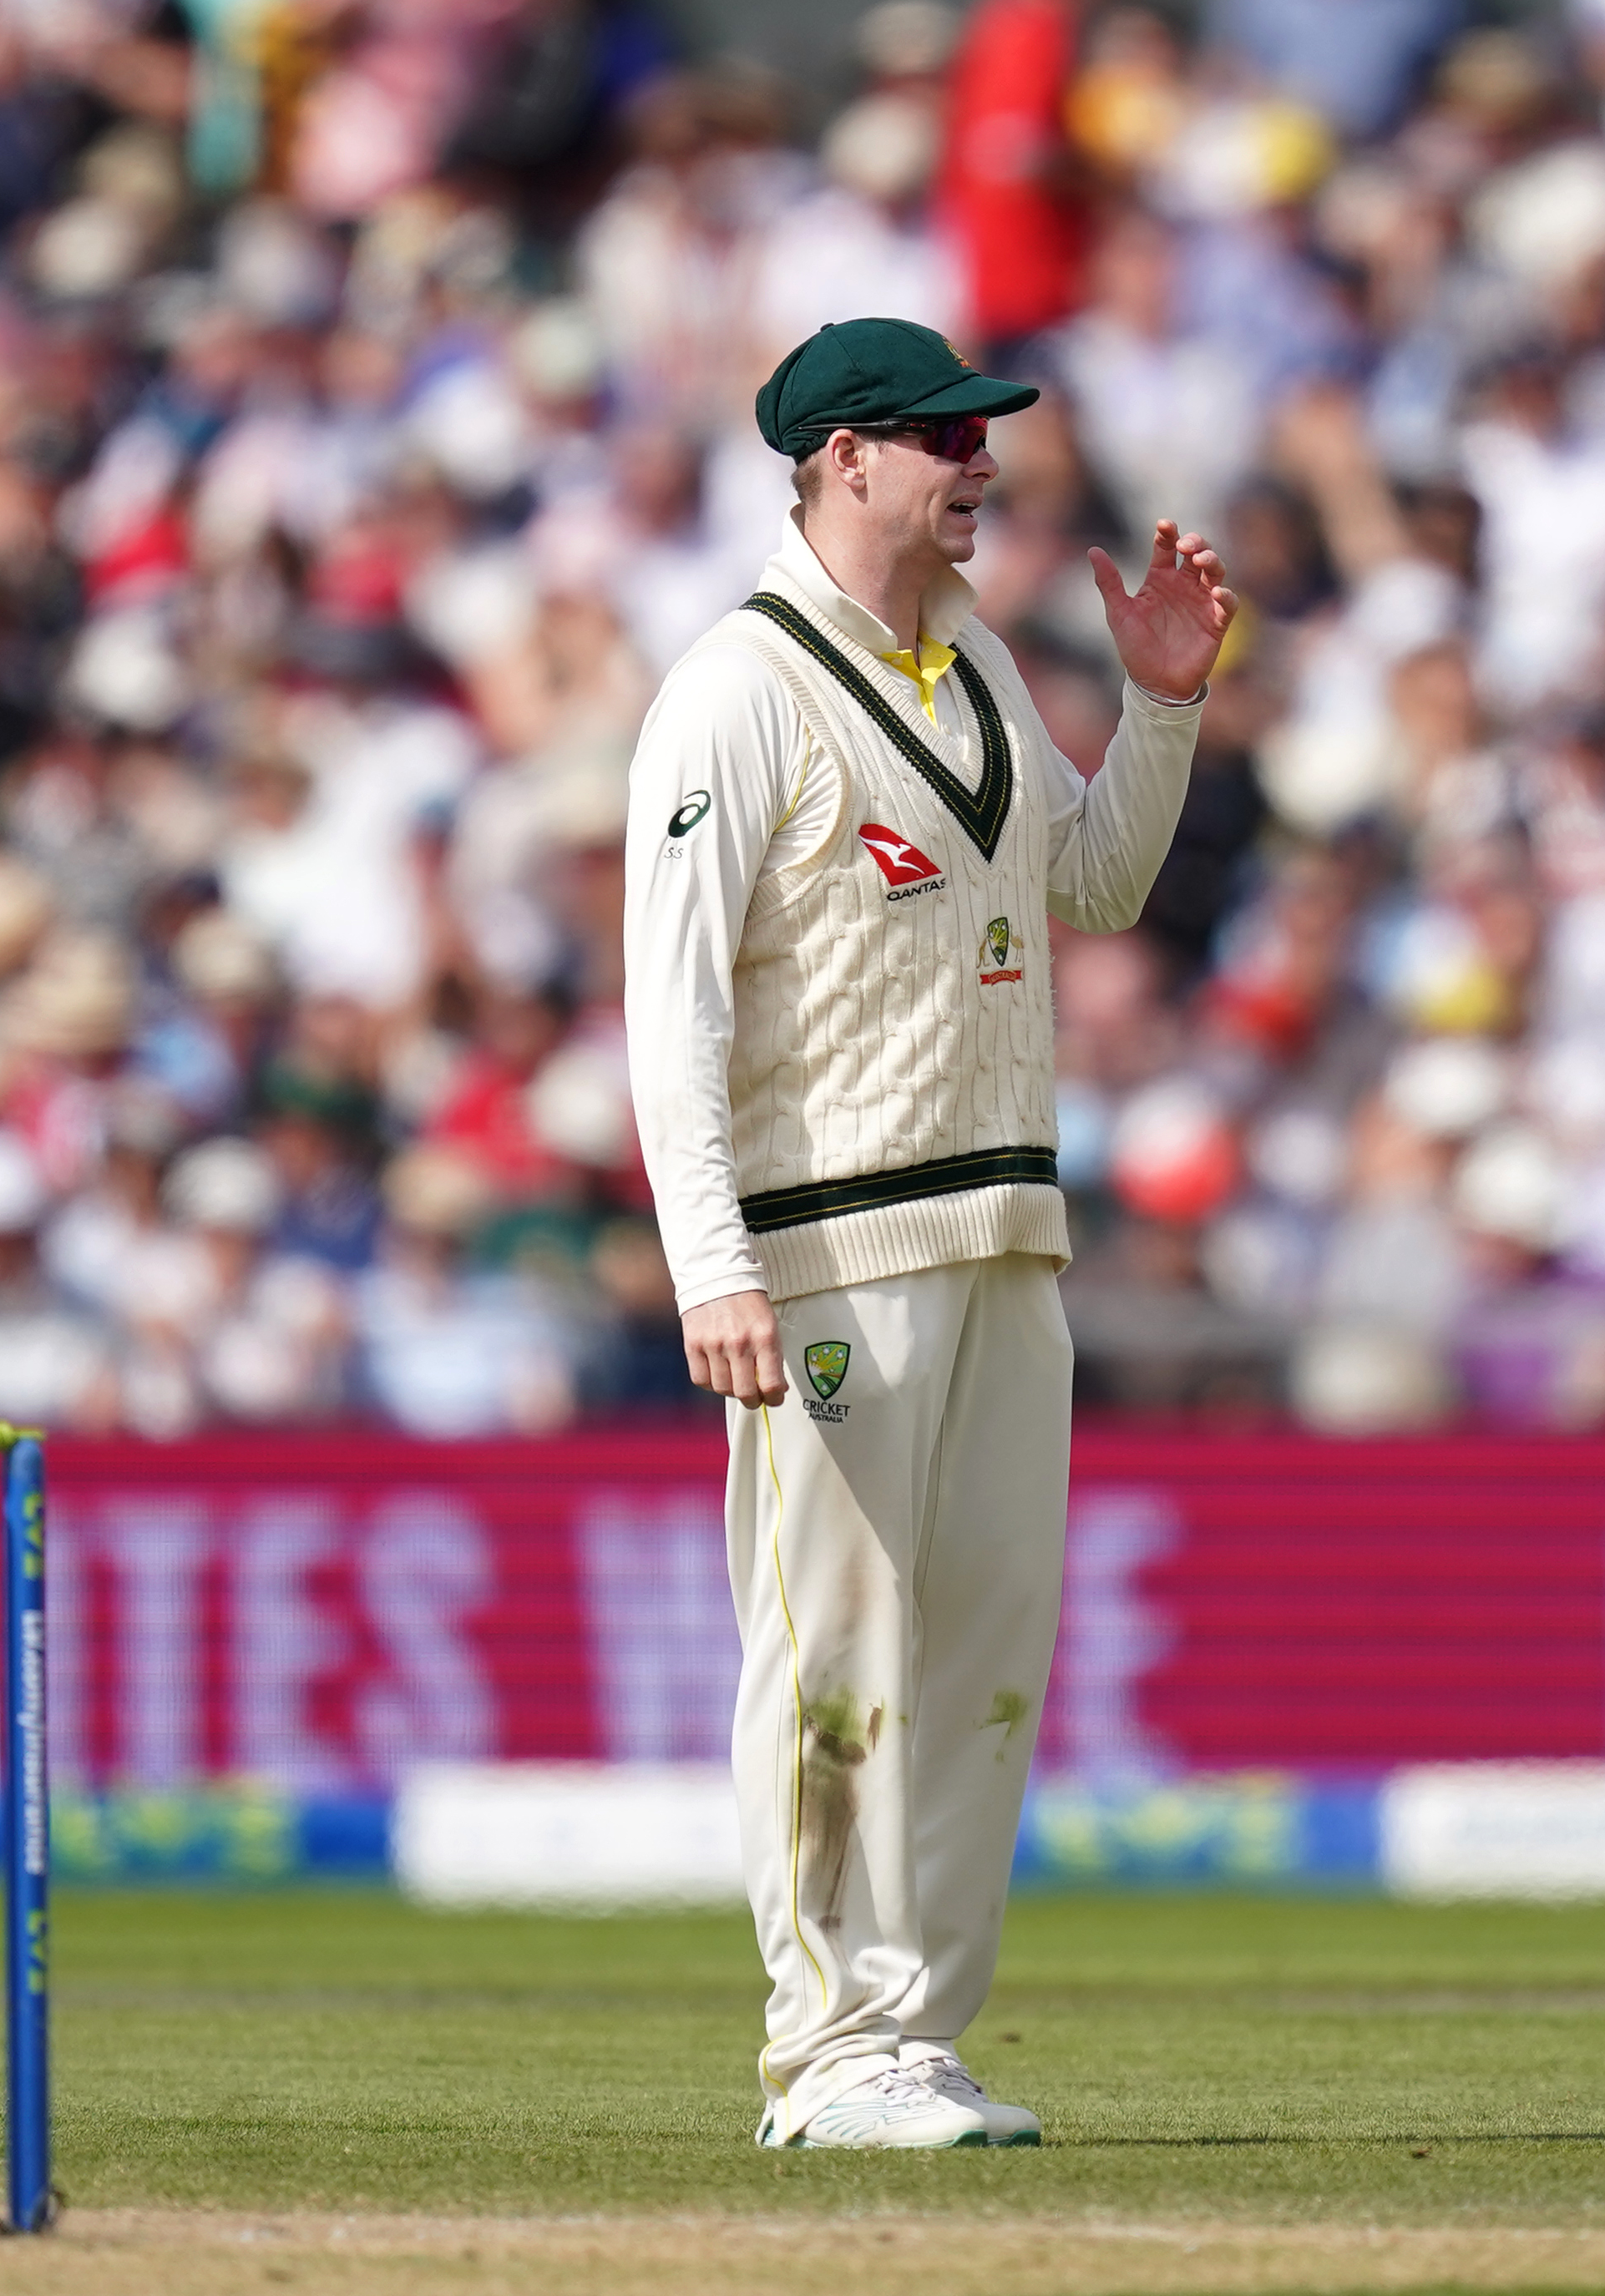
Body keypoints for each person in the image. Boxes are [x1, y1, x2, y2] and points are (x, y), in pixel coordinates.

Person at [621, 317, 1233, 2148]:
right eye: (940, 439)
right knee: (830, 1662)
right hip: (825, 1254)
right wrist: (710, 1259)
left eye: (984, 436)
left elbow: (1090, 882)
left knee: (974, 1657)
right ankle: (824, 2049)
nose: (978, 465)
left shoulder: (959, 653)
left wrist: (1168, 704)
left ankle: (916, 2030)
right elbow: (673, 1011)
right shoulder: (734, 687)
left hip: (1001, 1227)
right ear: (839, 460)